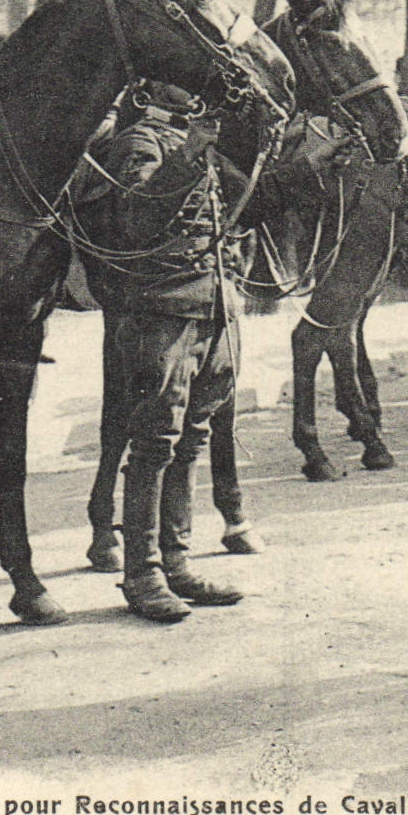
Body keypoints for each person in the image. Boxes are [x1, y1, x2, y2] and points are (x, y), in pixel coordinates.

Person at [77, 83, 247, 623]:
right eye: (182, 76)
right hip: (162, 311)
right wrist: (191, 153)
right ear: (152, 90)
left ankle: (177, 562)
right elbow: (136, 218)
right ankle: (143, 574)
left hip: (213, 308)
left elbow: (253, 205)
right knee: (154, 444)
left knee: (193, 439)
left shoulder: (192, 141)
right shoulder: (140, 142)